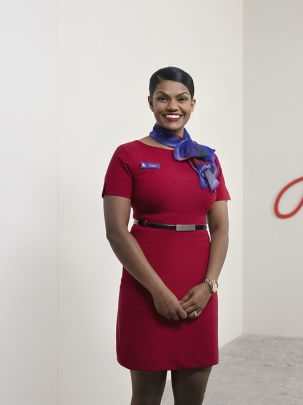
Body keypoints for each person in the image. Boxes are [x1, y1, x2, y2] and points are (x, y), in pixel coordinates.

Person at [102, 66, 230, 405]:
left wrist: (209, 285)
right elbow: (116, 231)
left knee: (192, 398)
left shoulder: (207, 159)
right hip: (146, 290)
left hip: (198, 293)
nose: (173, 106)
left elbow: (220, 227)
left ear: (193, 104)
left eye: (182, 98)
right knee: (145, 399)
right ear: (150, 102)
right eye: (163, 98)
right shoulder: (128, 155)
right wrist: (158, 291)